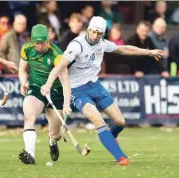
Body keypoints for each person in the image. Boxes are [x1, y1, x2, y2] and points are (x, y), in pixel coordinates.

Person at [40, 16, 163, 166]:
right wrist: (48, 84)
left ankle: (109, 137)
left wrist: (149, 52)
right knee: (98, 120)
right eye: (93, 32)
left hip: (96, 86)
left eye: (100, 33)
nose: (95, 36)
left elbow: (124, 49)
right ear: (89, 29)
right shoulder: (77, 45)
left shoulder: (102, 43)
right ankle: (121, 157)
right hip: (78, 90)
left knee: (120, 122)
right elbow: (60, 66)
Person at [18, 24, 71, 164]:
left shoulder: (57, 54)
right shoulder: (27, 49)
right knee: (29, 116)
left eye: (44, 42)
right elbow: (22, 70)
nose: (41, 46)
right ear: (32, 41)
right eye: (37, 43)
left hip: (55, 91)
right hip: (36, 87)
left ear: (49, 39)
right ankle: (30, 154)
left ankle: (52, 142)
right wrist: (24, 83)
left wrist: (66, 104)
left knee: (55, 134)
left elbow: (65, 81)